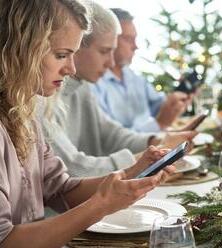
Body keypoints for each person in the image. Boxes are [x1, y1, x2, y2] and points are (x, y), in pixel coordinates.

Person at [0, 1, 175, 247]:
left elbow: (62, 189)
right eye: (61, 55)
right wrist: (101, 205)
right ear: (19, 49)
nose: (71, 69)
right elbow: (5, 240)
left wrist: (132, 173)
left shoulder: (24, 115)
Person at [41, 3, 197, 177]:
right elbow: (71, 167)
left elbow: (111, 134)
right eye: (104, 51)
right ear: (77, 47)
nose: (111, 63)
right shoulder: (42, 95)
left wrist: (156, 141)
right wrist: (141, 161)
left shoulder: (81, 87)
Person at [90, 8, 191, 133]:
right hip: (137, 149)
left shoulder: (135, 78)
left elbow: (159, 106)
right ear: (111, 40)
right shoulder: (93, 84)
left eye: (135, 39)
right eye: (128, 39)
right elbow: (109, 140)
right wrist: (159, 123)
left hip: (153, 144)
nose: (135, 46)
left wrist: (177, 101)